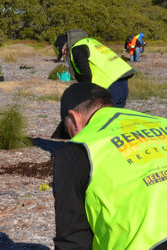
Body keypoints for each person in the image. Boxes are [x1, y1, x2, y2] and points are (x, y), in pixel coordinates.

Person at [52, 82, 167, 249]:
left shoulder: (78, 149)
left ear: (74, 118)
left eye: (67, 130)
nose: (71, 137)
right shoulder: (161, 122)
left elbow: (73, 240)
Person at [62, 29, 135, 108]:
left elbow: (86, 73)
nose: (64, 55)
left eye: (63, 52)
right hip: (122, 78)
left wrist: (86, 93)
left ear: (66, 45)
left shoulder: (77, 48)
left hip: (110, 84)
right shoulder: (91, 42)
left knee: (105, 115)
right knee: (117, 114)